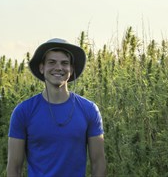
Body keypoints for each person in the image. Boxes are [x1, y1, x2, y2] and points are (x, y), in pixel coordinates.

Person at [7, 38, 106, 177]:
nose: (58, 68)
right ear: (42, 68)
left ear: (71, 69)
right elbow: (14, 168)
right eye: (51, 62)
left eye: (64, 63)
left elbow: (99, 163)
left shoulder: (89, 110)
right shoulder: (23, 112)